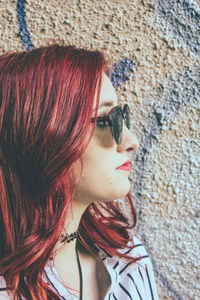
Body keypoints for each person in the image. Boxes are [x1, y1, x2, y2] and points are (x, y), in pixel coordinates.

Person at [0, 44, 159, 300]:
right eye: (104, 119)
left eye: (121, 116)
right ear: (42, 137)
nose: (131, 140)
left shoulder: (127, 255)